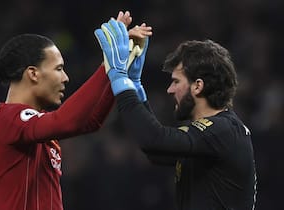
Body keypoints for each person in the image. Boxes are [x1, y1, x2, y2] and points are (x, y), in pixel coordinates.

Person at [0, 11, 152, 210]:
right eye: (58, 69)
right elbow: (65, 121)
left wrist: (115, 68)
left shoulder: (33, 124)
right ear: (33, 74)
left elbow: (89, 122)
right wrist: (109, 65)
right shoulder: (6, 118)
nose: (65, 78)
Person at [94, 20, 257, 209]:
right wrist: (135, 85)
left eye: (176, 82)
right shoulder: (214, 135)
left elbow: (155, 140)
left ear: (198, 86)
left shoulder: (223, 130)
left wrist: (120, 78)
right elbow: (157, 152)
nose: (170, 90)